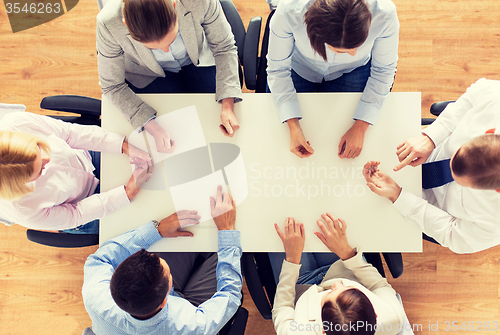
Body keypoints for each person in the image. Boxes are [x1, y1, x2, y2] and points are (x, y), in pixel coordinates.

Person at [363, 78, 500, 254]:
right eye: (457, 153)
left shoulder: (496, 222)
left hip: (425, 205)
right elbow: (473, 95)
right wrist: (431, 138)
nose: (450, 168)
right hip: (428, 150)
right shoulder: (496, 100)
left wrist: (398, 195)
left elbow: (453, 236)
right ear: (489, 132)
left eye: (462, 182)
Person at [82, 185, 242, 334]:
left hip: (162, 303)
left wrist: (156, 230)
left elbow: (101, 259)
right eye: (168, 272)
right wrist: (226, 230)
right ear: (165, 301)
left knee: (190, 234)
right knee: (236, 248)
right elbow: (230, 295)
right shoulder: (193, 327)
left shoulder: (95, 295)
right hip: (191, 309)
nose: (161, 260)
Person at [97, 0, 243, 152]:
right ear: (125, 24)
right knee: (175, 128)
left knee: (211, 116)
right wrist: (153, 127)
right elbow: (112, 85)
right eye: (152, 47)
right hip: (147, 73)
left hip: (198, 58)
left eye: (171, 39)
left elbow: (224, 46)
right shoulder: (108, 23)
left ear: (174, 6)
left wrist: (227, 104)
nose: (165, 51)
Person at [267, 0, 399, 159]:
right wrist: (293, 125)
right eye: (341, 50)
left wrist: (360, 126)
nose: (353, 53)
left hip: (353, 70)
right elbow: (278, 68)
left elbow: (383, 71)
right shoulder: (289, 9)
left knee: (339, 132)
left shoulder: (385, 13)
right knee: (277, 141)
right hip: (299, 67)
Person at [0, 112, 151, 234]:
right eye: (40, 170)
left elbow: (70, 134)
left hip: (84, 157)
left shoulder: (16, 123)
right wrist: (127, 192)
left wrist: (122, 146)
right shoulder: (22, 210)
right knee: (145, 219)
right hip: (79, 206)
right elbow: (76, 214)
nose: (49, 158)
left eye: (38, 148)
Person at [272, 215, 404, 334]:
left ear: (323, 330)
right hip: (343, 266)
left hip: (298, 282)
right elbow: (378, 285)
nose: (336, 284)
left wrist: (292, 261)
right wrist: (347, 253)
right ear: (375, 315)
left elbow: (282, 308)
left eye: (330, 293)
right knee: (326, 215)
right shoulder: (392, 318)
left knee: (278, 225)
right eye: (350, 290)